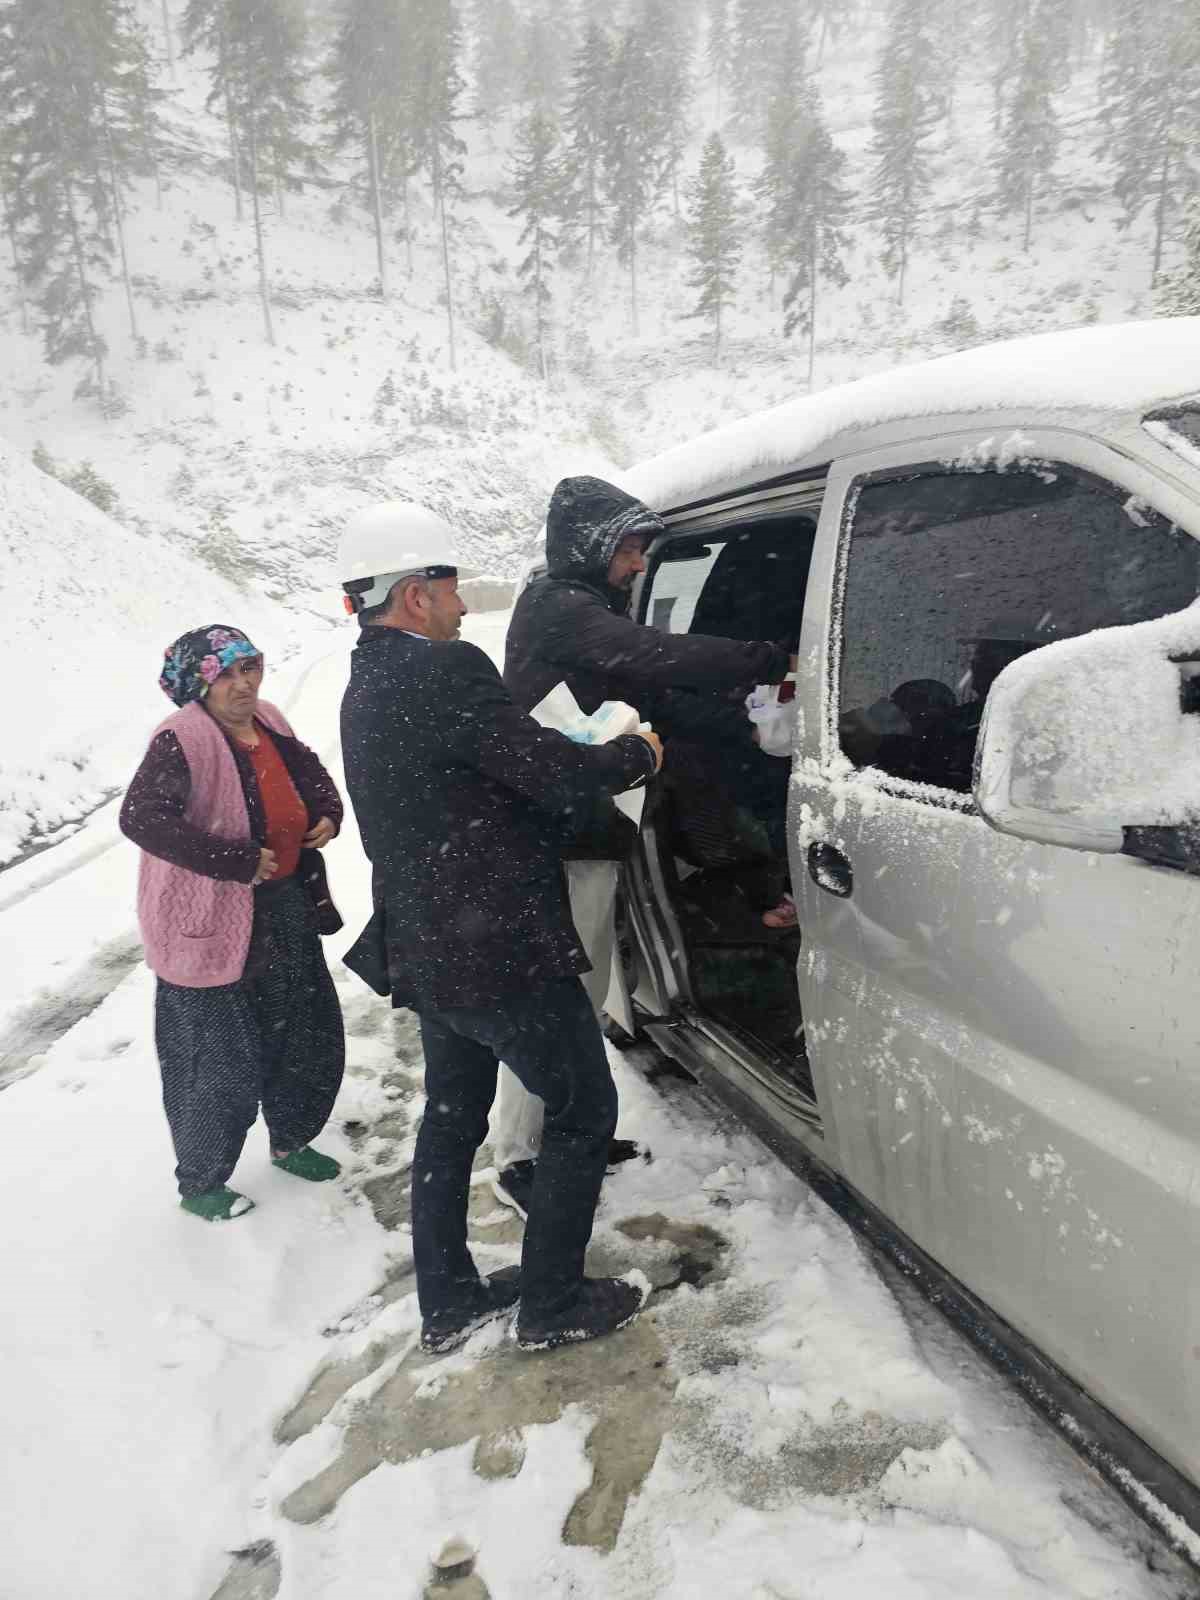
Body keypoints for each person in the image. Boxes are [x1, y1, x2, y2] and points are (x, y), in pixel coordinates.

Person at [337, 501, 664, 1355]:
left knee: (451, 1113)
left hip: (428, 942)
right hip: (495, 945)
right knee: (584, 1106)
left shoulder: (364, 680)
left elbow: (472, 778)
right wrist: (637, 754)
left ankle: (446, 1300)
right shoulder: (445, 671)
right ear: (413, 595)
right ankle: (552, 1305)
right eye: (447, 586)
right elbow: (550, 773)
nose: (458, 602)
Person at [494, 475, 797, 1215]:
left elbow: (658, 696)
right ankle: (517, 1158)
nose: (637, 566)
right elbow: (654, 656)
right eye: (630, 550)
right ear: (595, 546)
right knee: (557, 996)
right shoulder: (557, 608)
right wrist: (768, 657)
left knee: (585, 988)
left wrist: (748, 728)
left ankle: (571, 1134)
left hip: (589, 825)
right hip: (556, 834)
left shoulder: (584, 613)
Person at [120, 625, 346, 1222]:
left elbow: (309, 773)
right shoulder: (181, 740)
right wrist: (236, 861)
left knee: (302, 1030)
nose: (243, 684)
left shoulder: (269, 718)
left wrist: (326, 811)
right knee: (213, 1056)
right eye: (225, 674)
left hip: (285, 906)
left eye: (250, 668)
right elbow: (142, 819)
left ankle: (292, 1137)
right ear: (199, 683)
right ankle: (201, 1181)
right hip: (209, 925)